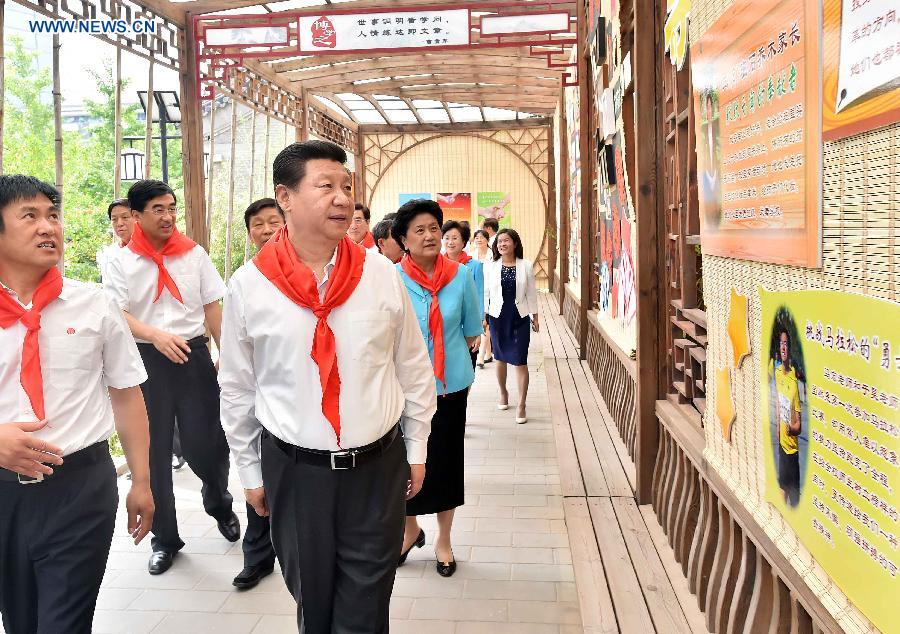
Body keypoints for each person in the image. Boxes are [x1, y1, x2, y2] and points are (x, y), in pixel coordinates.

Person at [218, 140, 436, 632]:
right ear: (286, 198)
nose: (342, 198)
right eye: (326, 186)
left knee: (367, 603)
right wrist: (250, 470)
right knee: (312, 604)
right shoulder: (249, 286)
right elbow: (237, 387)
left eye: (347, 187)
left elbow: (412, 367)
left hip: (377, 468)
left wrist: (417, 445)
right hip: (296, 473)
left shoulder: (380, 274)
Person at [0, 175, 154, 633]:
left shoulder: (95, 305)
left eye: (53, 214)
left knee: (64, 622)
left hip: (79, 486)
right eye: (29, 216)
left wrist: (142, 482)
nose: (48, 226)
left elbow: (127, 394)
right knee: (20, 620)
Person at [105, 179, 238, 576]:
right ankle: (165, 539)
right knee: (154, 453)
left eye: (172, 208)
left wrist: (228, 359)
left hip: (192, 355)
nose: (168, 216)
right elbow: (118, 313)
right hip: (145, 360)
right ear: (136, 216)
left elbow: (212, 308)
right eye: (158, 209)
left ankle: (218, 502)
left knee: (208, 444)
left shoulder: (193, 254)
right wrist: (155, 336)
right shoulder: (119, 260)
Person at [393, 199, 482, 579]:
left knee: (445, 463)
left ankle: (444, 539)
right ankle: (410, 530)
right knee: (404, 466)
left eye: (434, 228)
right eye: (420, 230)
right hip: (403, 390)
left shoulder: (460, 276)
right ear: (403, 239)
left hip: (449, 388)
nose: (430, 236)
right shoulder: (391, 278)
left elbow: (471, 329)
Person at [230, 198, 283, 591]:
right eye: (258, 225)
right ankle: (258, 556)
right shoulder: (244, 282)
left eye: (273, 221)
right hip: (263, 405)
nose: (266, 229)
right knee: (259, 487)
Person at [484, 228, 539, 424]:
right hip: (498, 316)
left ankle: (522, 403)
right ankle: (503, 392)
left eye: (506, 241)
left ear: (515, 243)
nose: (502, 244)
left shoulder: (526, 265)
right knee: (500, 357)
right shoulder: (491, 266)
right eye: (499, 242)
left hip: (519, 316)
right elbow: (486, 293)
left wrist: (535, 316)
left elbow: (531, 293)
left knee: (520, 360)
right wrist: (484, 316)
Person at [442, 220, 484, 370]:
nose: (450, 242)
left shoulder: (474, 266)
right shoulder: (435, 265)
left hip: (467, 326)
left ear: (464, 242)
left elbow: (479, 296)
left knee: (467, 367)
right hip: (445, 327)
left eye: (455, 238)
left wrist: (478, 330)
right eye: (446, 238)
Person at [771, 329, 802, 507]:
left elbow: (799, 427)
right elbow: (777, 401)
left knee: (794, 497)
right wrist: (777, 427)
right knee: (782, 488)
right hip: (782, 445)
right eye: (781, 344)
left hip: (792, 451)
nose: (784, 347)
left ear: (790, 348)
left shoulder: (794, 380)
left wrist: (791, 429)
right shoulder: (776, 372)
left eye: (786, 344)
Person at [469, 229, 494, 366]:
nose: (479, 240)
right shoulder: (470, 256)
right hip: (475, 293)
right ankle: (488, 354)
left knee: (485, 323)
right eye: (476, 237)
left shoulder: (494, 256)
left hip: (490, 293)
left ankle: (480, 357)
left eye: (481, 237)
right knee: (483, 322)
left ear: (487, 240)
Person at [97, 198, 134, 282]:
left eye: (125, 217)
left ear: (137, 217)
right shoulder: (110, 253)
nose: (119, 223)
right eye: (114, 219)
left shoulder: (151, 250)